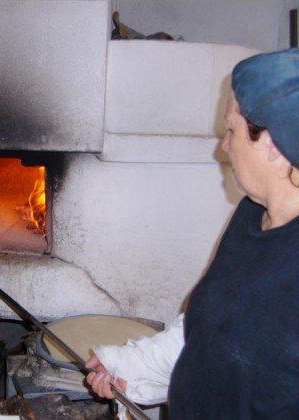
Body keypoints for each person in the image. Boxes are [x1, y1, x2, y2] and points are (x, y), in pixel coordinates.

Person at [86, 48, 299, 419]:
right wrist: (131, 368)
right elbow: (207, 331)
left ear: (273, 145)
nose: (224, 145)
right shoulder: (249, 215)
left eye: (231, 130)